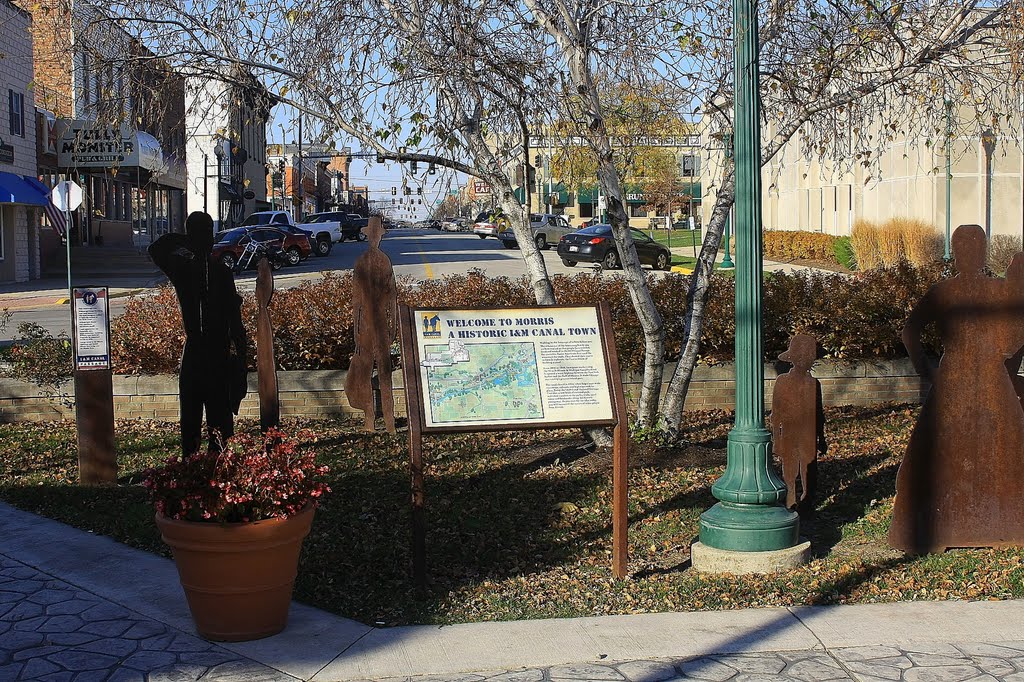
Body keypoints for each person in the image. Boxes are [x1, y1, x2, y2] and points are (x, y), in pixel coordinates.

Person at [890, 224, 1024, 553]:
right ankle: (996, 524)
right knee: (998, 446)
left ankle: (988, 525)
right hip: (986, 379)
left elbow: (910, 333)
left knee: (990, 448)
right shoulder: (994, 290)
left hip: (960, 379)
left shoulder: (948, 291)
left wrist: (927, 372)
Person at [149, 212, 247, 456]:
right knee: (191, 414)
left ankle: (217, 461)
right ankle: (191, 462)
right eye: (206, 235)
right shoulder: (184, 270)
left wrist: (241, 362)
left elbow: (235, 322)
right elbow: (157, 248)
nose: (210, 241)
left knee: (220, 415)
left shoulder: (219, 273)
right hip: (197, 350)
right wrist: (191, 242)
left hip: (217, 351)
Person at [345, 216, 398, 432]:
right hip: (372, 326)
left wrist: (392, 327)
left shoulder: (378, 261)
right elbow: (357, 301)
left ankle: (387, 420)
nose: (375, 238)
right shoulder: (374, 261)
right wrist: (357, 330)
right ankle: (375, 420)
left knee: (382, 373)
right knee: (372, 372)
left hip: (375, 326)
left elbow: (392, 297)